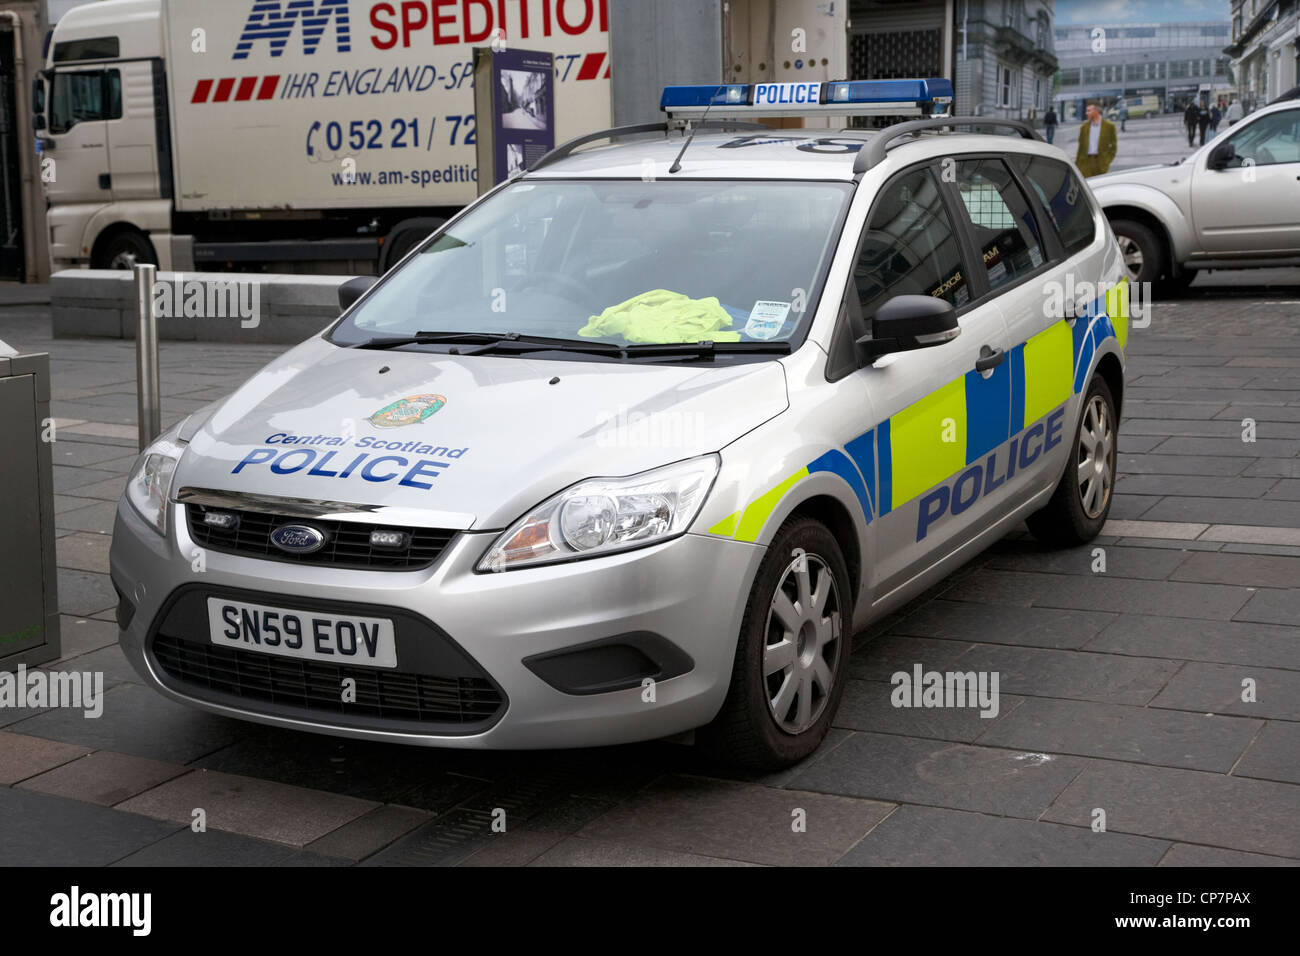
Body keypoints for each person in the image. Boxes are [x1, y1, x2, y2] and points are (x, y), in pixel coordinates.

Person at [1075, 102, 1117, 177]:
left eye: (1089, 111)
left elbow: (1114, 146)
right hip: (1086, 162)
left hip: (1101, 162)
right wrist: (1077, 164)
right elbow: (1080, 148)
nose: (1086, 113)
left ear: (1096, 111)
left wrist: (1107, 161)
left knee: (1100, 184)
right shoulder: (1084, 127)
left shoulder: (1109, 126)